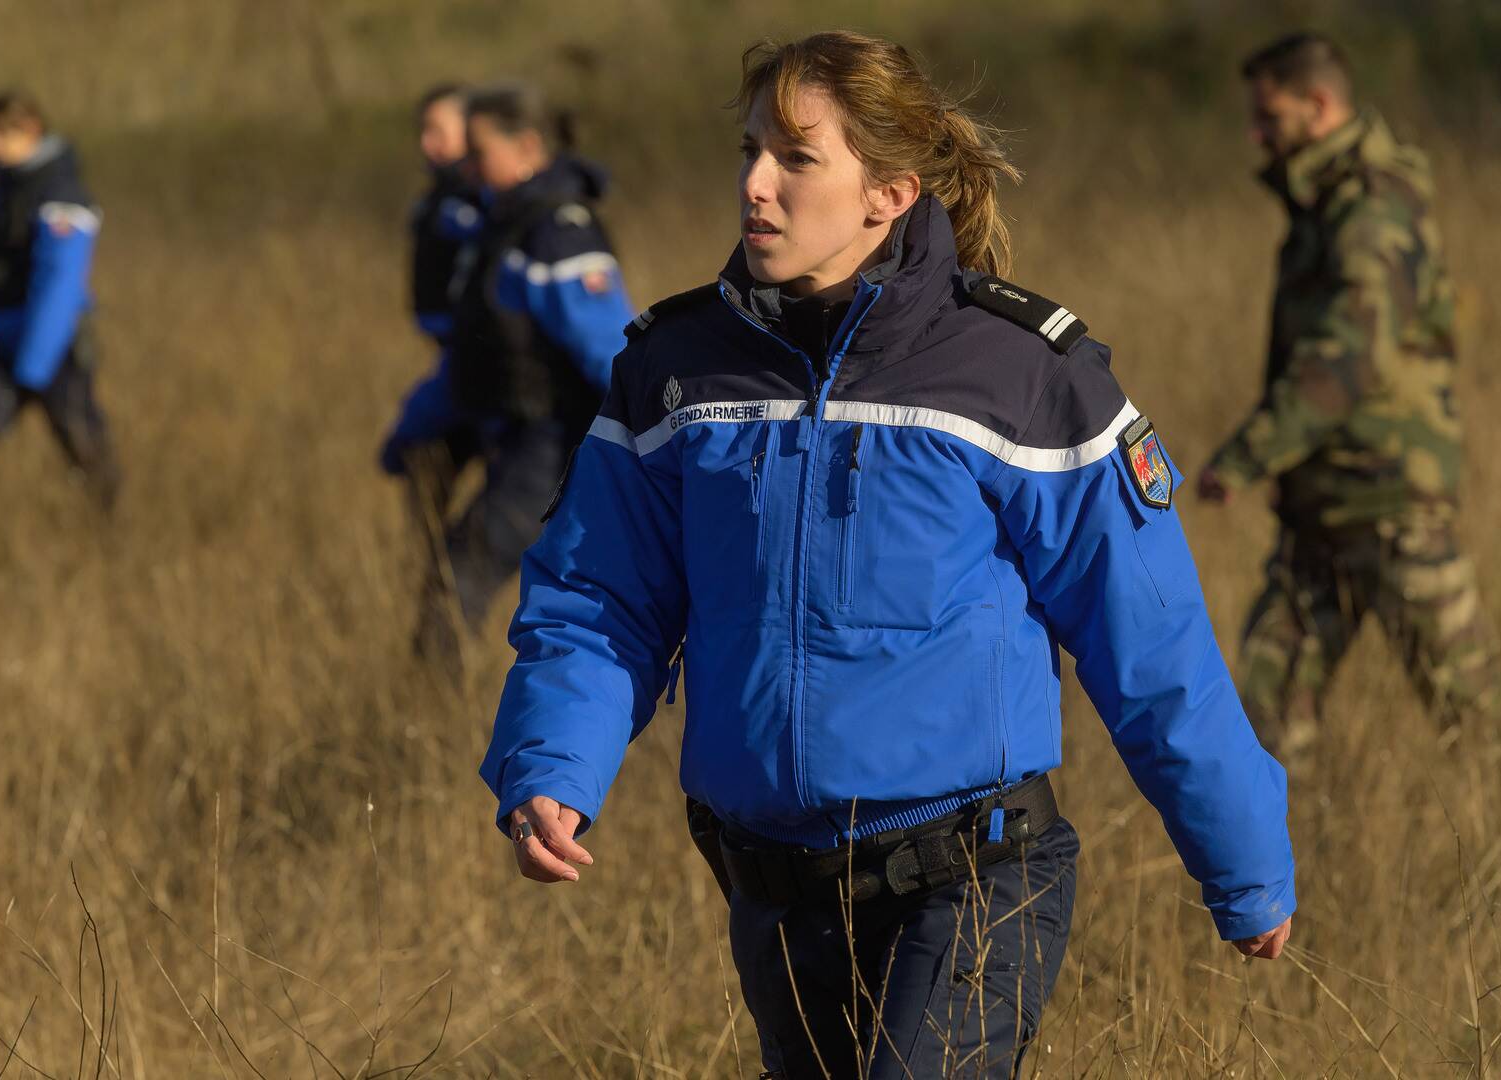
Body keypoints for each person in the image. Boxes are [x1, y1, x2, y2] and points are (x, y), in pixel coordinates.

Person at [480, 31, 1295, 1079]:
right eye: (749, 151)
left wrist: (1245, 864)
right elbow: (599, 599)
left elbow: (1153, 644)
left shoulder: (1021, 373)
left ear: (890, 193)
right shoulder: (673, 370)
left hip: (972, 876)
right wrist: (553, 765)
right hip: (772, 889)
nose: (756, 185)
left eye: (797, 158)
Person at [1197, 33, 1501, 753]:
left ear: (1318, 104)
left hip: (1389, 500)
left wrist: (1245, 458)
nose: (1256, 135)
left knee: (1484, 731)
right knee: (1266, 713)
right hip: (1323, 506)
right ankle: (1294, 858)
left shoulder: (1371, 206)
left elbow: (1349, 358)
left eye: (1269, 118)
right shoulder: (1328, 199)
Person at [410, 81, 636, 644]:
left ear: (528, 147)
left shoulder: (557, 234)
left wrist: (653, 452)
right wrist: (411, 432)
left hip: (554, 445)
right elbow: (478, 349)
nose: (468, 167)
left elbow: (611, 352)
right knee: (461, 569)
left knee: (459, 574)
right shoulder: (504, 225)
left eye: (479, 152)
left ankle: (424, 716)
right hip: (516, 435)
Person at [0, 92, 118, 547]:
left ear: (32, 131)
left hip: (55, 357)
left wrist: (34, 367)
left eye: (3, 133)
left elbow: (60, 285)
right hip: (9, 349)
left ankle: (111, 545)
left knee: (90, 458)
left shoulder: (60, 195)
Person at [381, 83, 487, 519]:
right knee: (421, 474)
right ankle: (430, 577)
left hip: (484, 369)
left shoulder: (487, 204)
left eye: (438, 130)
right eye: (422, 131)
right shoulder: (433, 202)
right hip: (451, 362)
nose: (427, 143)